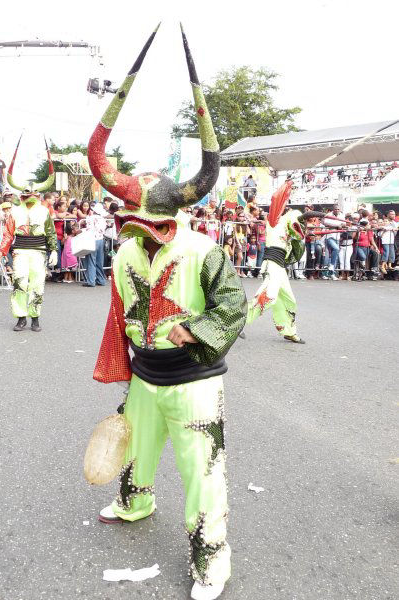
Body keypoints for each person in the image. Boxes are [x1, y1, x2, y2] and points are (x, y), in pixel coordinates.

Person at [88, 26, 247, 600]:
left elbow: (234, 307)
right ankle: (135, 501)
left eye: (154, 225)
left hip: (194, 381)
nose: (144, 234)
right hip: (144, 377)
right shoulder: (127, 249)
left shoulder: (205, 250)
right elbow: (120, 311)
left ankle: (212, 558)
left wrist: (193, 329)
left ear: (176, 219)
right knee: (134, 447)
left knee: (203, 472)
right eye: (134, 222)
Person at [246, 183, 322, 344]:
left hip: (280, 267)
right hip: (272, 263)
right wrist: (286, 189)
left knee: (288, 299)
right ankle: (236, 321)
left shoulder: (288, 231)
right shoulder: (275, 222)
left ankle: (288, 330)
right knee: (268, 296)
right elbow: (276, 200)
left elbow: (299, 237)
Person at [0, 139, 57, 331]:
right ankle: (21, 317)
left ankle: (35, 318)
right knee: (19, 283)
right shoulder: (14, 211)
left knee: (38, 285)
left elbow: (50, 232)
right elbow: (8, 233)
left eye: (34, 193)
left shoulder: (44, 211)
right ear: (21, 195)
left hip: (39, 252)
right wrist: (1, 250)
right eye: (26, 192)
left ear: (38, 195)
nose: (30, 195)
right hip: (20, 251)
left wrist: (53, 249)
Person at [83, 203, 107, 287]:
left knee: (91, 260)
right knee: (99, 261)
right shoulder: (102, 219)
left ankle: (91, 281)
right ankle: (101, 280)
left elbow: (88, 229)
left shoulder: (90, 218)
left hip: (92, 240)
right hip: (100, 239)